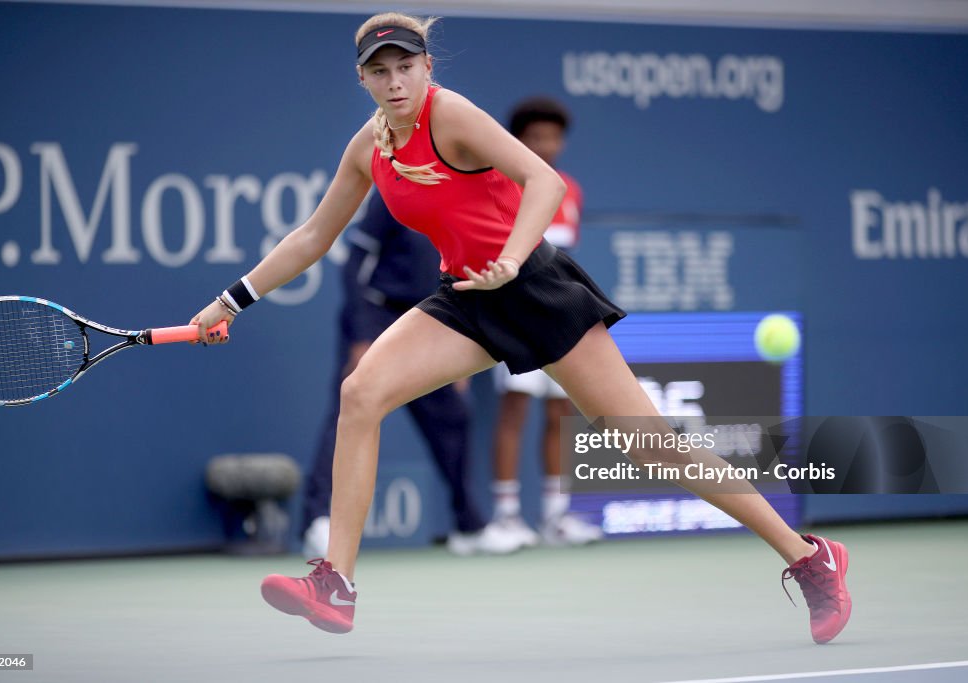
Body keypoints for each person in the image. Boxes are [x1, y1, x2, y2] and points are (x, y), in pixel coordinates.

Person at [192, 12, 852, 644]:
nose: (394, 80)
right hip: (466, 297)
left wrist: (510, 256)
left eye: (405, 66)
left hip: (534, 286)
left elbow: (543, 179)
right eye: (379, 70)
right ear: (361, 79)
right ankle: (335, 583)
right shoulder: (369, 147)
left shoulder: (450, 115)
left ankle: (809, 557)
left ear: (426, 68)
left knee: (652, 448)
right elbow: (312, 235)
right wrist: (232, 299)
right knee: (361, 393)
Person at [301, 190, 522, 557]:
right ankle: (317, 520)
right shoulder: (394, 195)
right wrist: (360, 335)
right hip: (377, 314)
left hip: (431, 319)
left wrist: (460, 345)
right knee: (351, 413)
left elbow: (464, 273)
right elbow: (355, 262)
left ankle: (468, 526)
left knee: (452, 418)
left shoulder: (464, 199)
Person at [488, 97, 603, 548]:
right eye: (535, 137)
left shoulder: (569, 189)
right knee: (514, 411)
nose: (545, 145)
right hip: (514, 316)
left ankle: (556, 516)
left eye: (553, 137)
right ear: (518, 141)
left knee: (561, 413)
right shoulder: (501, 183)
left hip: (560, 318)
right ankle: (507, 516)